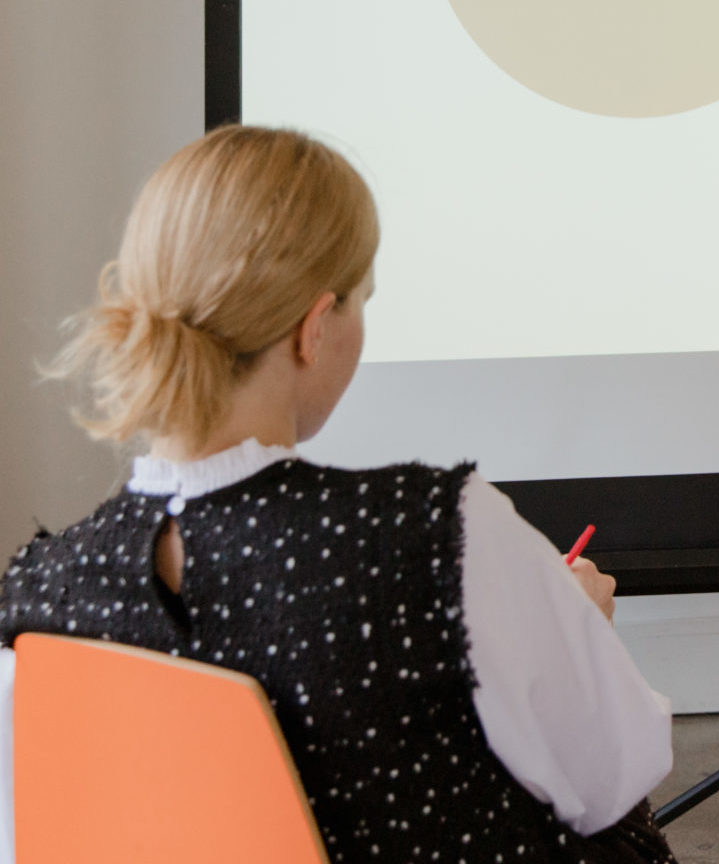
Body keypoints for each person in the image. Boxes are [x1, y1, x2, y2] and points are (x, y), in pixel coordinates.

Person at [0, 126, 679, 864]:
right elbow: (615, 778)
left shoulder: (38, 597)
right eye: (362, 300)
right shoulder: (433, 533)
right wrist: (578, 631)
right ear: (315, 327)